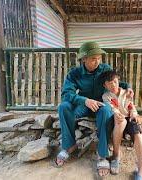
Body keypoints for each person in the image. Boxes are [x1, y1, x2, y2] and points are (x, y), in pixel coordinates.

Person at [54, 41, 132, 177]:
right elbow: (66, 94)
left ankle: (102, 154)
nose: (97, 62)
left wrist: (129, 87)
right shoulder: (75, 73)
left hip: (102, 105)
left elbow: (116, 82)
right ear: (83, 59)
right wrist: (85, 100)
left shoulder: (104, 69)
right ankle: (69, 145)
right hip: (83, 105)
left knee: (107, 110)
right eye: (93, 59)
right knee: (64, 107)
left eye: (99, 58)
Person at [101, 70, 142, 180]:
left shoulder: (126, 93)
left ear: (118, 81)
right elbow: (112, 108)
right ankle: (116, 155)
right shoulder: (106, 96)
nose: (113, 85)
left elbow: (131, 106)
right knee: (121, 122)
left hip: (128, 116)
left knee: (137, 132)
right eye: (109, 83)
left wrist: (134, 114)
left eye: (115, 82)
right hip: (117, 120)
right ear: (105, 85)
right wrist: (116, 114)